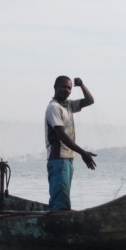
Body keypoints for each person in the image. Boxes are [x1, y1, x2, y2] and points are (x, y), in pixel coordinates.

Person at [45, 76, 97, 211]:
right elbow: (61, 135)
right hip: (58, 160)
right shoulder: (54, 107)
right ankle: (57, 229)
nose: (67, 90)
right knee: (60, 202)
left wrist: (82, 85)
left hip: (68, 160)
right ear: (55, 87)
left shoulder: (68, 105)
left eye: (69, 88)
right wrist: (83, 152)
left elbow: (90, 100)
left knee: (64, 199)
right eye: (63, 86)